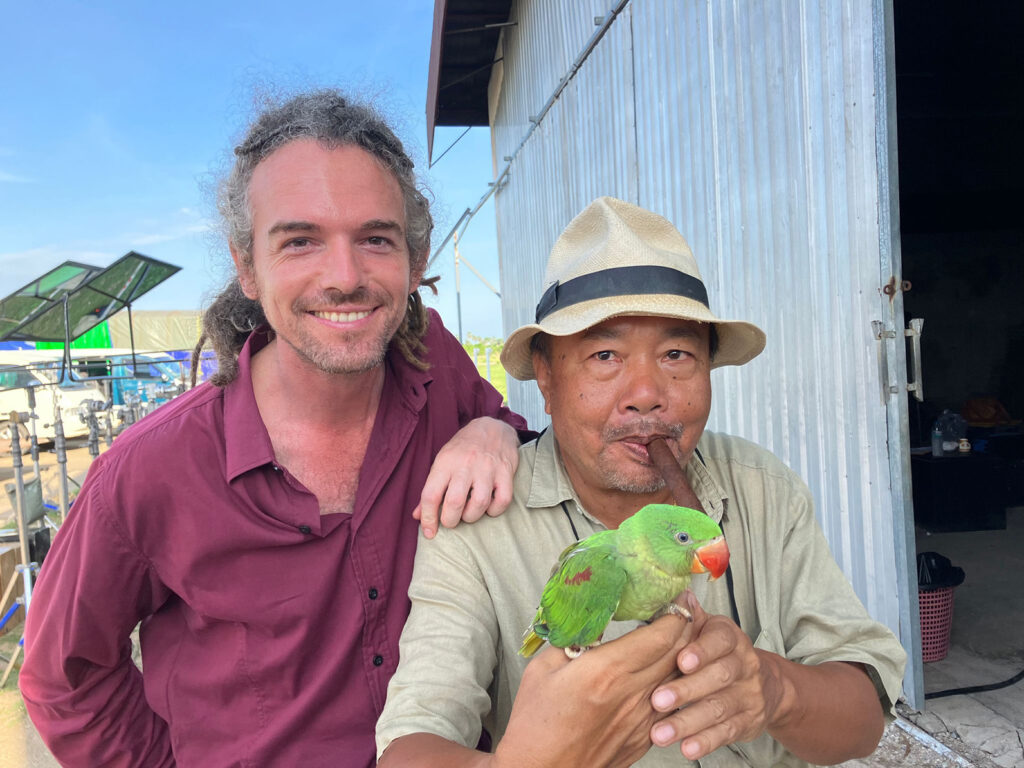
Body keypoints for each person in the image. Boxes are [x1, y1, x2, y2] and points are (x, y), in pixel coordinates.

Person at [19, 90, 531, 767]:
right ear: (246, 267)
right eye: (300, 241)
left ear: (415, 257)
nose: (344, 277)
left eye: (375, 238)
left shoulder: (433, 364)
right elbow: (65, 677)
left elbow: (515, 440)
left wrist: (494, 431)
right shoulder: (151, 470)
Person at [375, 197, 907, 767]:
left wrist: (772, 688)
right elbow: (410, 745)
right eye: (605, 354)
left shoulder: (760, 487)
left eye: (677, 352)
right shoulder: (479, 523)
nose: (647, 393)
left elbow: (863, 720)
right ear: (547, 380)